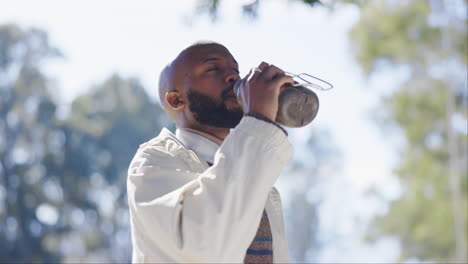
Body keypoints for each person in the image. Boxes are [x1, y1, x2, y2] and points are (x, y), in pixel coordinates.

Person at [127, 41, 295, 263]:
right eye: (213, 69)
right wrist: (258, 121)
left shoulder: (251, 170)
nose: (233, 78)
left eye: (235, 71)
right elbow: (205, 242)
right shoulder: (152, 161)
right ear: (176, 99)